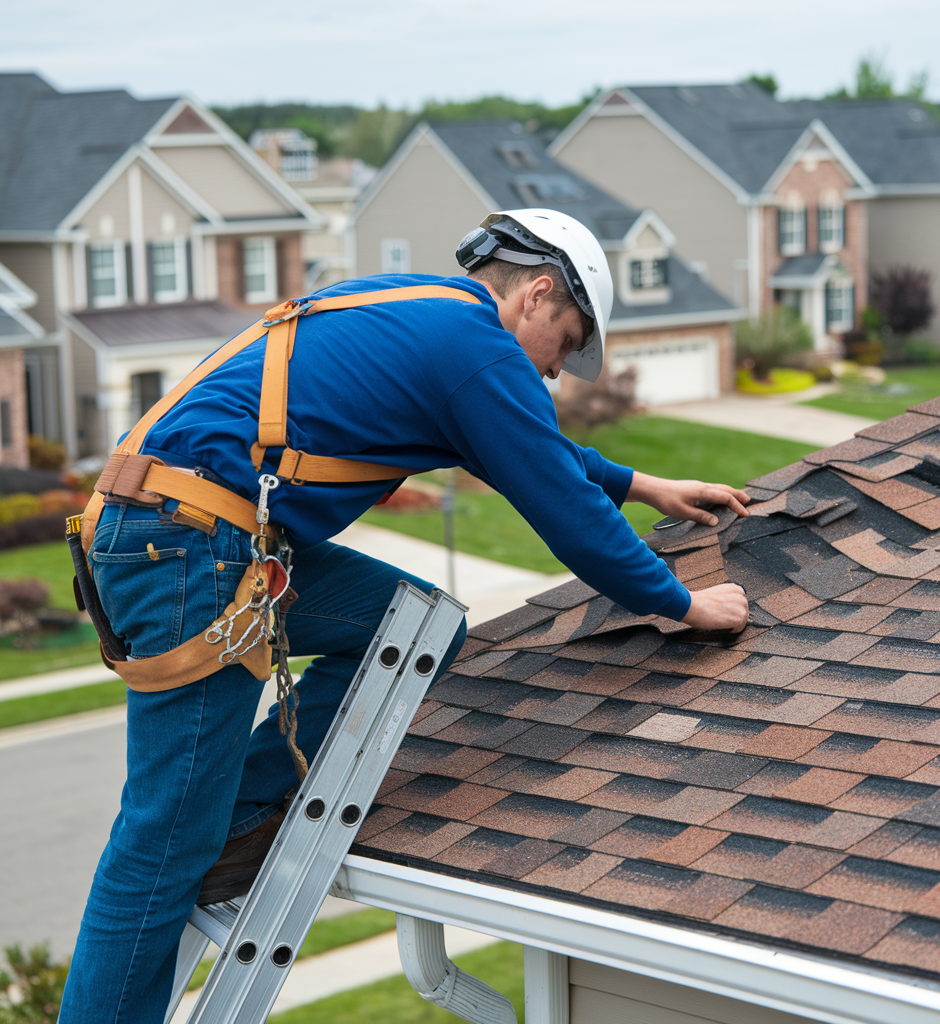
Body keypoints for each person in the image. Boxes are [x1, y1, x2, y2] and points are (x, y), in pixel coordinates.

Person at [58, 208, 748, 1022]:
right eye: (564, 346)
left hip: (174, 532)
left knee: (408, 627)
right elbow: (567, 515)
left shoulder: (421, 309)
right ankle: (201, 856)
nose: (557, 374)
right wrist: (684, 603)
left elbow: (534, 448)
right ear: (535, 296)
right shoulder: (474, 351)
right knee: (161, 846)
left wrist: (642, 485)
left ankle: (245, 809)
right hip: (189, 549)